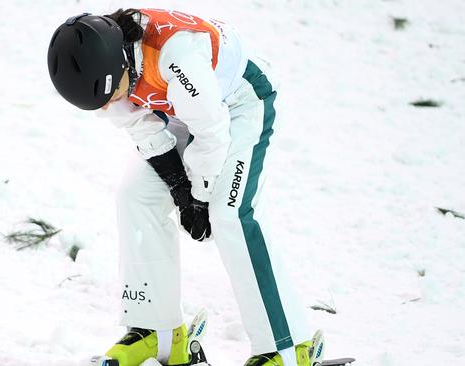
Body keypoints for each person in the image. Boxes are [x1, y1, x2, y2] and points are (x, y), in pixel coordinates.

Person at [47, 8, 323, 366]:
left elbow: (211, 132)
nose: (114, 104)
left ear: (123, 61)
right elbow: (143, 126)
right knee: (136, 194)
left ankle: (288, 347)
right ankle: (158, 333)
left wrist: (200, 196)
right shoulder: (111, 70)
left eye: (114, 92)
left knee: (231, 213)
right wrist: (179, 187)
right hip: (180, 111)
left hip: (238, 104)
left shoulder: (175, 54)